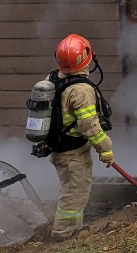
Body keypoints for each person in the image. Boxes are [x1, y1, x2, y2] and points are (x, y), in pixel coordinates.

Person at [46, 34, 114, 240]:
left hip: (59, 148)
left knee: (71, 188)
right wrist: (105, 148)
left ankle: (70, 229)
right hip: (72, 153)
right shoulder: (82, 90)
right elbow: (89, 127)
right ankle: (64, 234)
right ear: (88, 58)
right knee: (75, 192)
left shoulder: (51, 80)